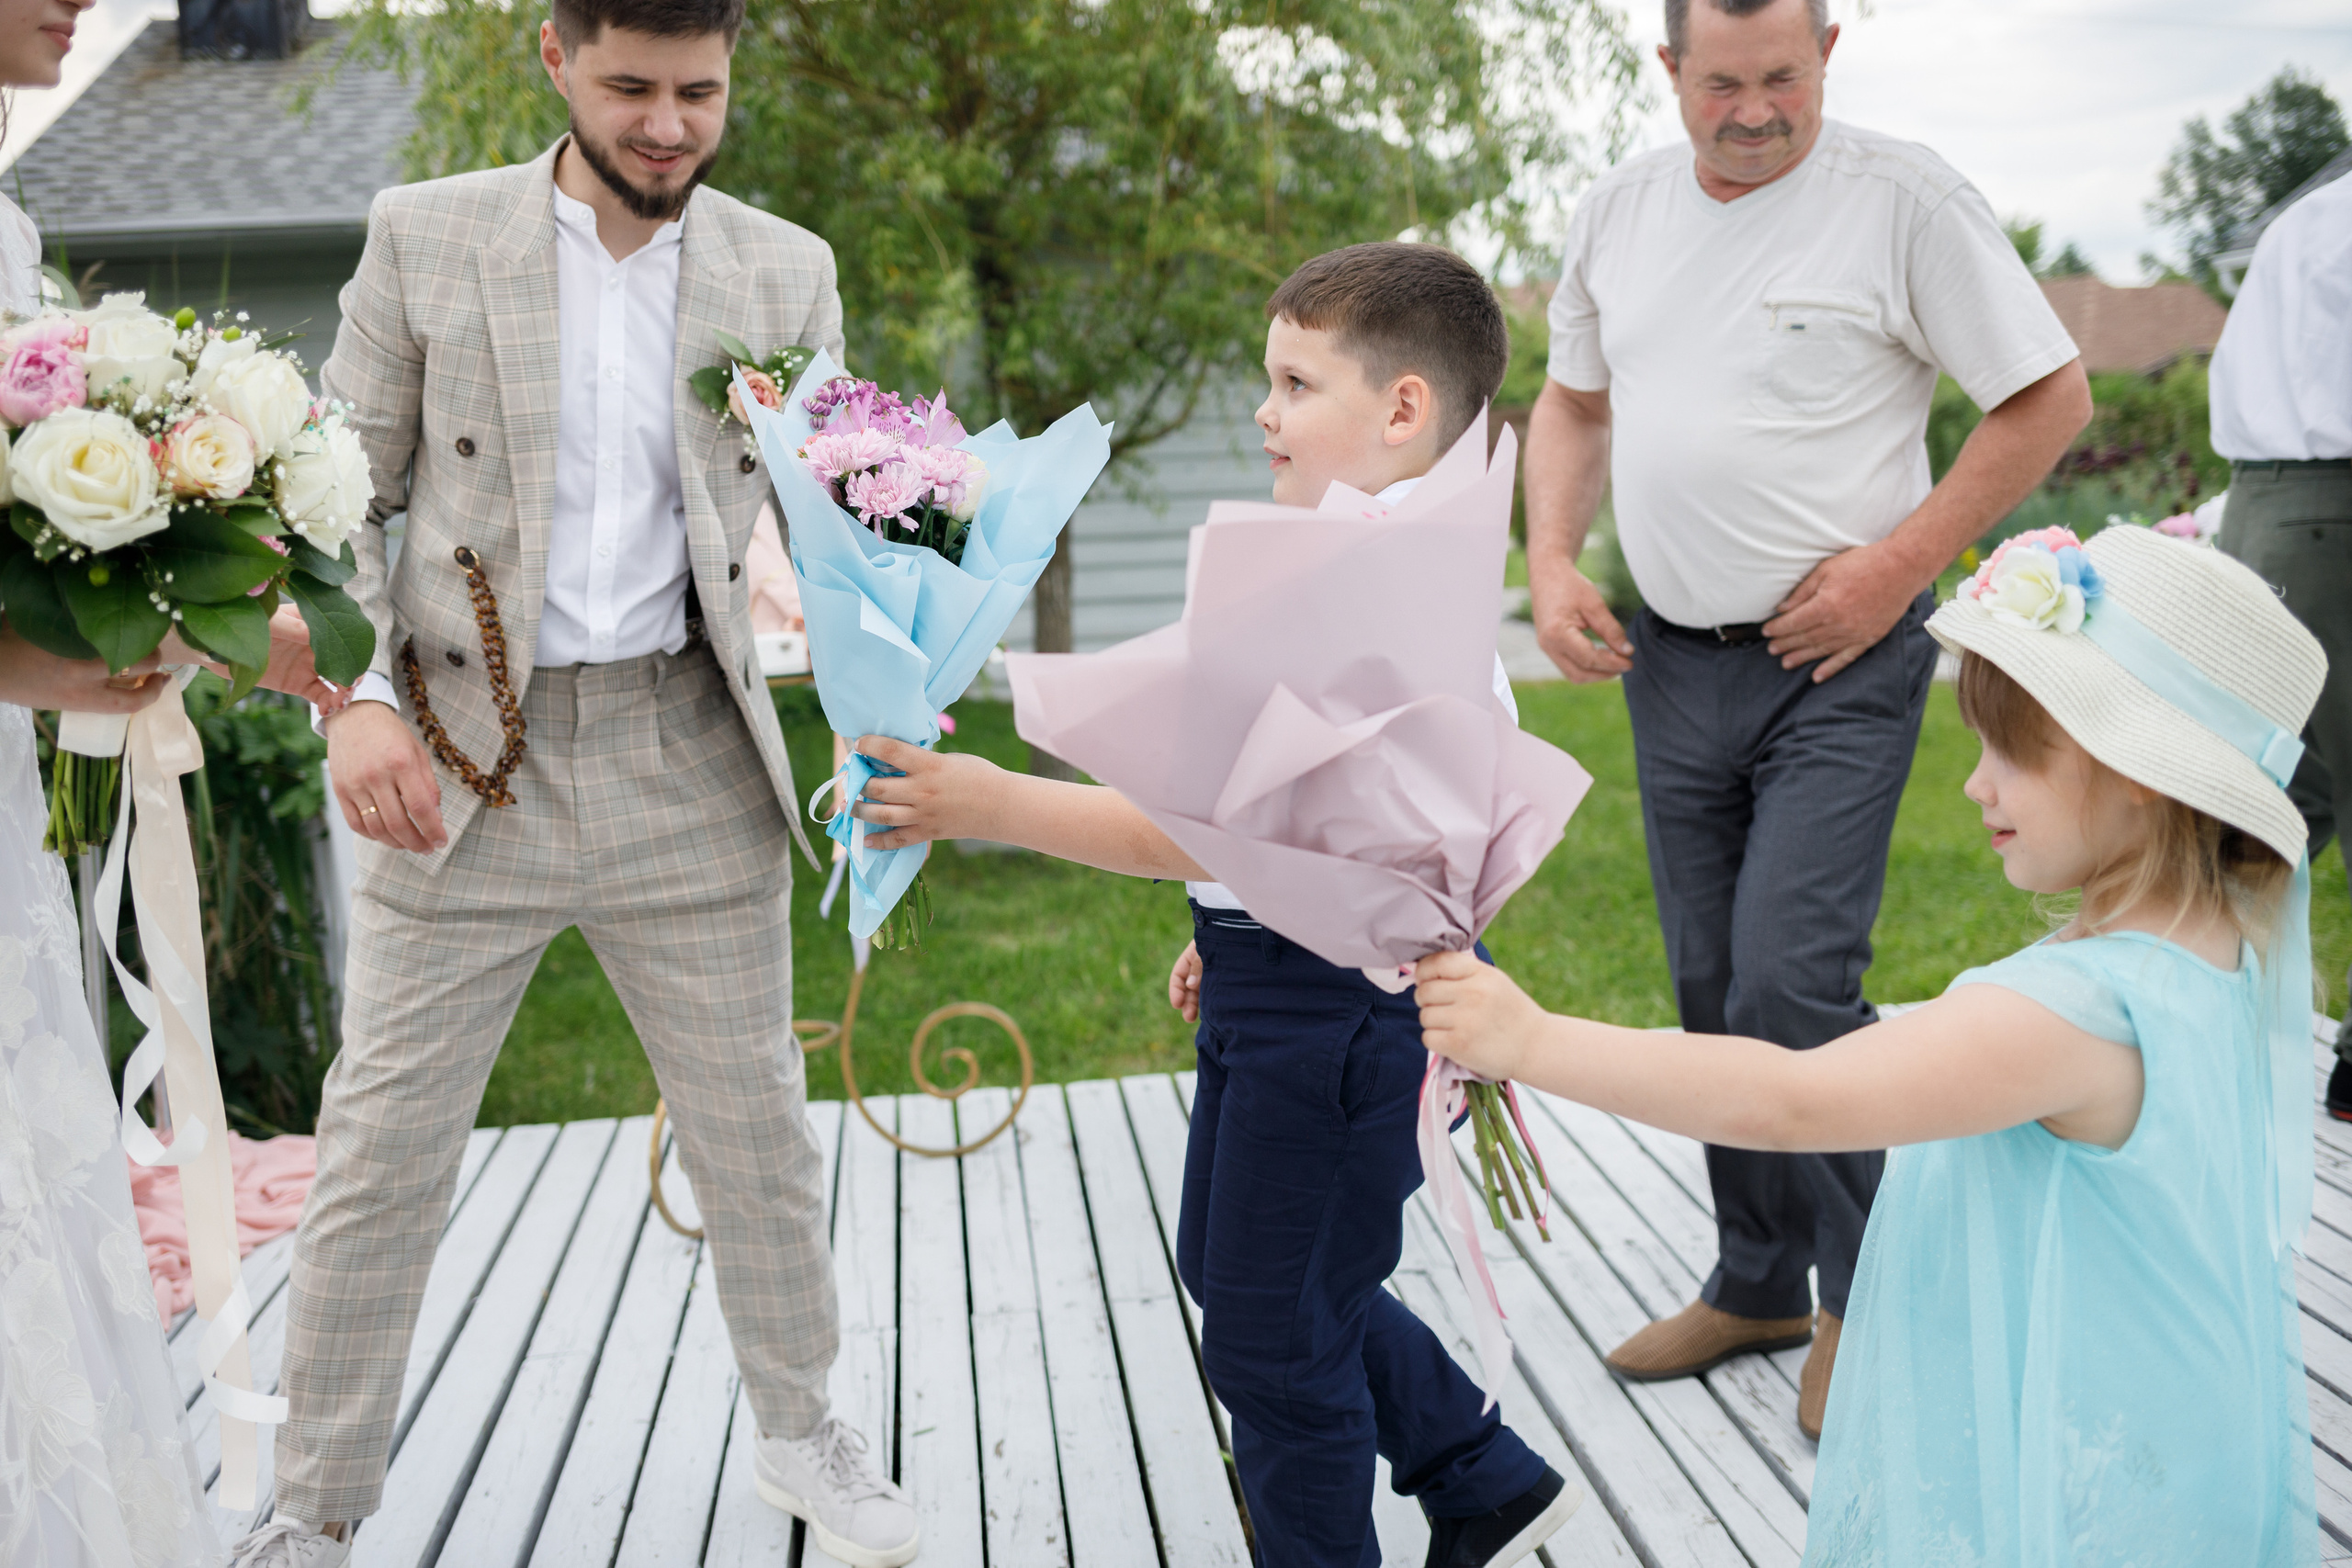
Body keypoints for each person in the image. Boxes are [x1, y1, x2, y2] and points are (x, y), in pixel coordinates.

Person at [224, 2, 918, 1564]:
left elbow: (830, 509)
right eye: (631, 88)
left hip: (688, 748)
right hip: (463, 757)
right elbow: (338, 495)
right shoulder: (425, 235)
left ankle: (807, 1436)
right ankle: (315, 1511)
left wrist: (908, 619)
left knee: (756, 1129)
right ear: (556, 62)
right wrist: (351, 703)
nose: (668, 123)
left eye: (699, 91)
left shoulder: (781, 268)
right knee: (382, 1145)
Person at [846, 242, 1577, 1568]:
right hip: (1281, 986)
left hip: (1334, 1029)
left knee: (1271, 1336)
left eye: (1295, 382)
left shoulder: (1383, 607)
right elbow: (1280, 838)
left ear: (1403, 408)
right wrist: (1230, 930)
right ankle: (1475, 1466)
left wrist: (992, 801)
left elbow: (1215, 822)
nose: (1263, 410)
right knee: (1255, 1273)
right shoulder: (1352, 571)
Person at [1417, 525, 2324, 1563]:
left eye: (2014, 752)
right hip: (2168, 1420)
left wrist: (1531, 1039)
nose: (1976, 785)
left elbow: (1791, 1100)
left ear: (2138, 777)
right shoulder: (2216, 951)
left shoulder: (2067, 1013)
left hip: (2068, 1456)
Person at [1519, 0, 2090, 1432]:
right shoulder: (1618, 212)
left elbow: (2050, 395)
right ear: (1668, 70)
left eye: (1784, 76)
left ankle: (1870, 1297)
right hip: (1672, 660)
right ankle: (1760, 1273)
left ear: (1831, 50)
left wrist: (1899, 564)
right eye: (1722, 83)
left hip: (1844, 665)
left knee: (1789, 984)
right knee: (1714, 988)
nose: (1754, 109)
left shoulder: (1904, 202)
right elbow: (1572, 404)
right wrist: (1546, 557)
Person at [2208, 167, 2352, 1117]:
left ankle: (2189, 1004)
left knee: (2267, 788)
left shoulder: (2308, 212)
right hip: (2339, 503)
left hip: (2258, 510)